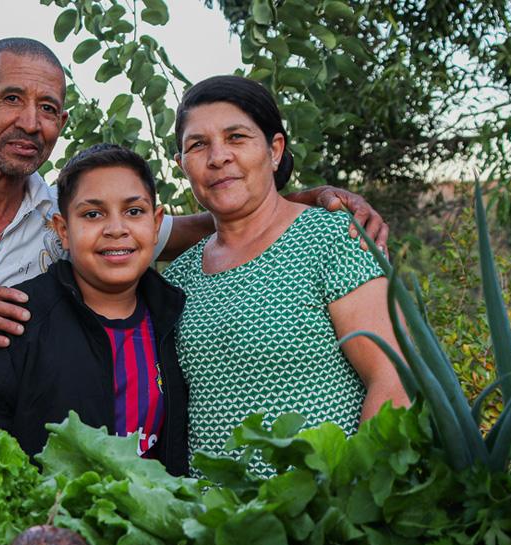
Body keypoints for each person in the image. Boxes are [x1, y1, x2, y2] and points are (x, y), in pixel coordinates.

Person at [0, 37, 390, 385]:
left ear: (61, 125)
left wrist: (294, 201)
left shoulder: (65, 218)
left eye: (48, 108)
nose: (30, 122)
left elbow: (170, 230)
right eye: (11, 100)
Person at [162, 75, 409, 475]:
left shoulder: (333, 239)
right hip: (208, 525)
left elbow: (395, 379)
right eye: (198, 145)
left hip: (320, 515)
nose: (218, 157)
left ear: (275, 150)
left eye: (237, 137)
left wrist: (349, 501)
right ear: (182, 165)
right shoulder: (179, 276)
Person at [0, 144, 188, 473]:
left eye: (134, 212)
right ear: (63, 231)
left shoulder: (176, 317)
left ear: (156, 222)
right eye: (92, 214)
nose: (116, 229)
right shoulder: (12, 323)